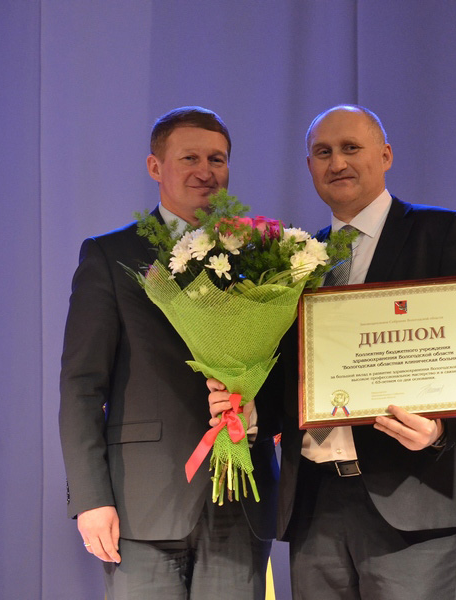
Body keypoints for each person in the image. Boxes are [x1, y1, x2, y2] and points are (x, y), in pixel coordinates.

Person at [209, 105, 456, 600]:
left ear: (385, 156)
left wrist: (439, 430)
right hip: (314, 503)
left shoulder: (441, 233)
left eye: (351, 148)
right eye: (323, 152)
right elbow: (288, 379)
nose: (337, 162)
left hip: (410, 496)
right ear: (309, 166)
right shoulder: (294, 259)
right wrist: (245, 407)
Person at [59, 106, 278, 600]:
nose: (206, 171)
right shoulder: (110, 256)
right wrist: (91, 498)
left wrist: (255, 411)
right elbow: (81, 386)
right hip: (141, 504)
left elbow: (284, 372)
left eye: (217, 159)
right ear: (155, 167)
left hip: (240, 499)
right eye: (190, 158)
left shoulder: (264, 255)